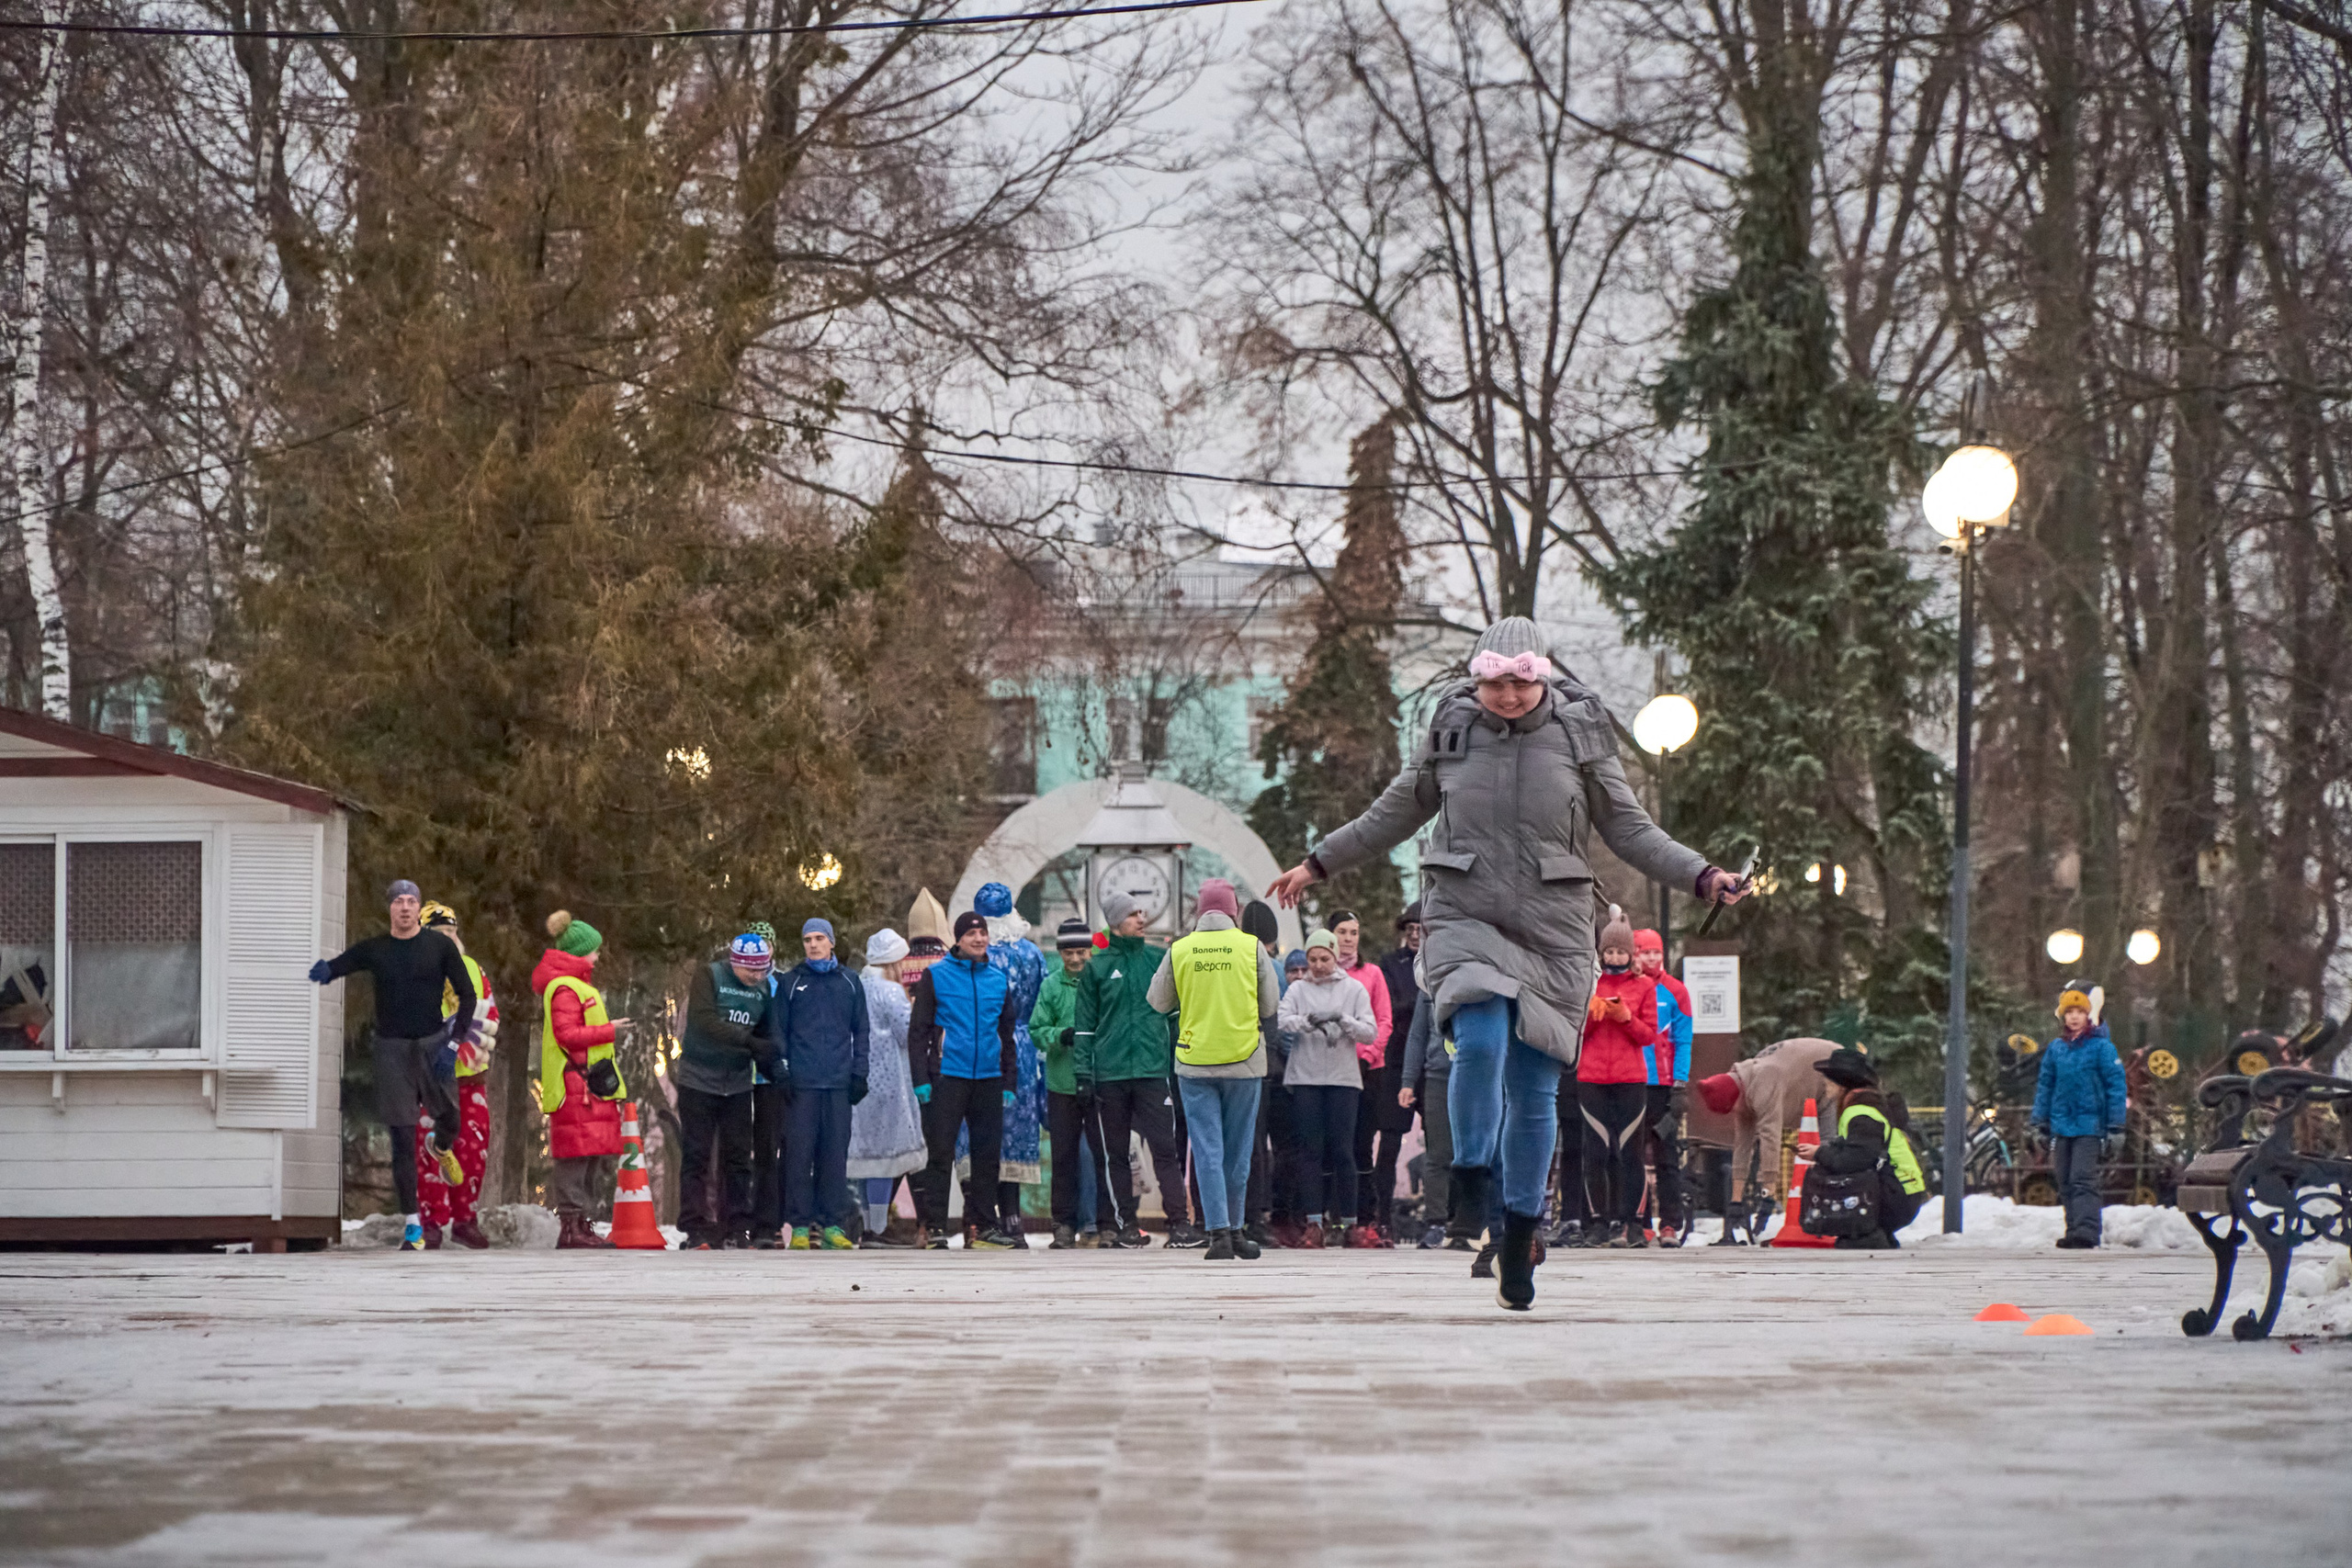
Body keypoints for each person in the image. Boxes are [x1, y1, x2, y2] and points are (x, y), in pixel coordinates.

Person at [1270, 616, 1744, 1310]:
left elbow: (1630, 828)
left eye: (1520, 682)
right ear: (1478, 679)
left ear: (1540, 675)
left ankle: (1518, 1234)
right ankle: (1470, 1179)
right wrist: (1318, 863)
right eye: (1494, 683)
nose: (1508, 696)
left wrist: (1703, 876)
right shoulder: (1452, 731)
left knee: (1534, 1088)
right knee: (1481, 1034)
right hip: (1464, 908)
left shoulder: (1580, 735)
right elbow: (1394, 810)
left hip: (1553, 923)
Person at [310, 880, 477, 1252]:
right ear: (390, 908)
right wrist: (325, 971)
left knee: (451, 1119)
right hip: (392, 1050)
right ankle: (413, 1228)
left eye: (411, 901)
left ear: (419, 908)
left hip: (435, 1045)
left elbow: (468, 995)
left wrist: (453, 1042)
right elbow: (346, 963)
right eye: (398, 901)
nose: (404, 907)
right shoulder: (378, 949)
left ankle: (441, 1145)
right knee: (402, 1138)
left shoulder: (439, 947)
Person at [1149, 878, 1282, 1260]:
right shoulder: (1251, 947)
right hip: (1243, 1058)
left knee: (1205, 1149)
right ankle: (1239, 1230)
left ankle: (1218, 1234)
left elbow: (1157, 1003)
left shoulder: (1181, 950)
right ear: (1233, 910)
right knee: (1238, 1151)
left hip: (1194, 1061)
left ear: (1200, 911)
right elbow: (1271, 1005)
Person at [1077, 888, 1199, 1248]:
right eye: (1132, 914)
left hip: (1152, 1070)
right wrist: (1084, 1074)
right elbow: (1085, 1025)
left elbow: (1176, 1016)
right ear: (1116, 922)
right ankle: (1125, 1226)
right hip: (1111, 1075)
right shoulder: (1097, 967)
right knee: (1117, 1153)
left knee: (1165, 1150)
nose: (1141, 919)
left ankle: (1179, 1224)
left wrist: (1181, 1062)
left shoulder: (1160, 961)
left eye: (1142, 913)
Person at [909, 909, 1022, 1249]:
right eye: (971, 934)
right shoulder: (936, 976)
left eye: (983, 933)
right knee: (941, 1154)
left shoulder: (997, 980)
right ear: (958, 939)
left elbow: (1007, 1034)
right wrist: (921, 1079)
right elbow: (918, 1032)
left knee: (987, 1156)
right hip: (947, 1076)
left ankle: (985, 1227)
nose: (979, 939)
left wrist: (1009, 1081)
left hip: (988, 1078)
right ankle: (936, 1228)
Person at [531, 911, 633, 1249]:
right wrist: (610, 1030)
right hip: (576, 1084)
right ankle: (572, 1224)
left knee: (589, 1154)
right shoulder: (565, 988)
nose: (598, 955)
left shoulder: (576, 985)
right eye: (594, 949)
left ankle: (581, 1224)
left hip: (588, 1085)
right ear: (579, 951)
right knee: (575, 1157)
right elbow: (567, 1034)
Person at [671, 931, 779, 1249]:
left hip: (737, 1082)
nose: (757, 977)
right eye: (751, 971)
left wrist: (775, 1063)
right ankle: (695, 1225)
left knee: (738, 1157)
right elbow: (705, 1021)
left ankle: (738, 1223)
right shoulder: (711, 976)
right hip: (698, 1078)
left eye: (762, 970)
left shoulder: (762, 990)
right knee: (697, 1154)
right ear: (736, 963)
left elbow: (768, 1032)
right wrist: (747, 1042)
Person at [1275, 929, 1379, 1247]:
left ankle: (1349, 1222)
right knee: (1310, 1150)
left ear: (1335, 957)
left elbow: (1370, 1032)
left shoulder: (1354, 989)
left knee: (1343, 1150)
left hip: (1342, 1079)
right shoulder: (1298, 990)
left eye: (1324, 958)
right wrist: (1307, 1021)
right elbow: (1281, 1019)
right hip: (1306, 1078)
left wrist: (1344, 1021)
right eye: (1312, 959)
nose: (1318, 965)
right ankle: (1314, 1222)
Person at [774, 918, 871, 1250]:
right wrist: (782, 1071)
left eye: (818, 938)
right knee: (799, 1156)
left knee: (834, 1157)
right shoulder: (790, 983)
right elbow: (779, 1033)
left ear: (831, 942)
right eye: (807, 939)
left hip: (839, 1083)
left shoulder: (850, 981)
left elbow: (862, 1031)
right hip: (802, 1084)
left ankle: (833, 1224)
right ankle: (800, 1225)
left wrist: (860, 1072)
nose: (812, 945)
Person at [1694, 1036, 1843, 1240]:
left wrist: (1768, 1194)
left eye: (1731, 1109)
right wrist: (1735, 1201)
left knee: (1827, 1146)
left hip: (1830, 1073)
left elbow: (1770, 1140)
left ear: (1736, 1097)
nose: (1734, 1114)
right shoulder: (1740, 1085)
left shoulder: (1765, 1081)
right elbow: (1742, 1145)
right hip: (1806, 1077)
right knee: (1821, 1147)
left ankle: (1833, 1218)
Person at [414, 902, 498, 1250]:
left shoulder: (472, 969)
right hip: (430, 1080)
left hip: (469, 1077)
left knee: (472, 1150)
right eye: (439, 934)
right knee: (432, 1148)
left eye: (451, 932)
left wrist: (474, 1041)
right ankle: (431, 1221)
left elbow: (489, 1011)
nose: (448, 939)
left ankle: (466, 1219)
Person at [1577, 911, 1658, 1247]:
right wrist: (1594, 1016)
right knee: (1595, 1152)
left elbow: (1649, 1035)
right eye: (1608, 952)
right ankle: (1597, 1221)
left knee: (1630, 1152)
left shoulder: (1643, 987)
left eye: (1620, 952)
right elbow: (1576, 1031)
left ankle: (1634, 1223)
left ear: (1630, 953)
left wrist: (1625, 1017)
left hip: (1630, 1078)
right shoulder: (1589, 984)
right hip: (1591, 1077)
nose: (1614, 958)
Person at [1034, 916, 1114, 1247]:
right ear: (1060, 954)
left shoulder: (1102, 982)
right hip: (1062, 1083)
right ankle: (1063, 1224)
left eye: (1082, 952)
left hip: (1099, 1082)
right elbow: (1036, 1030)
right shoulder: (1051, 986)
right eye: (1070, 954)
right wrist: (1059, 1035)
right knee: (1064, 1156)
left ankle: (1109, 1223)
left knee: (1105, 1156)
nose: (1077, 959)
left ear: (1091, 952)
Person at [2030, 981, 2127, 1249]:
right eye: (2069, 1012)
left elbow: (2116, 1087)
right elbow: (2046, 1086)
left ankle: (2086, 1230)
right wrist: (2040, 1121)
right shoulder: (2056, 1049)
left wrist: (2116, 1127)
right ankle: (2073, 1228)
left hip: (2090, 1125)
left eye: (2079, 1011)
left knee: (2082, 1177)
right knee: (2064, 1178)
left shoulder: (2102, 1048)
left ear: (2088, 1015)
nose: (2074, 1017)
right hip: (2062, 1125)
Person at [848, 928, 928, 1247]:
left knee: (867, 1156)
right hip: (890, 1082)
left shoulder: (856, 987)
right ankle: (877, 1230)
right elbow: (908, 1033)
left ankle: (869, 1225)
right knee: (885, 1156)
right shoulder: (891, 992)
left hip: (860, 1080)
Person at [977, 883, 1047, 1238]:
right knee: (1014, 1134)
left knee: (979, 1131)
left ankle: (981, 1218)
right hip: (1021, 1048)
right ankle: (1012, 1217)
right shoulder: (1031, 954)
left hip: (981, 1045)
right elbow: (1041, 1001)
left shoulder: (975, 954)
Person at [1819, 1047, 1928, 1247]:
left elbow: (1857, 1158)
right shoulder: (1869, 1106)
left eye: (1829, 1080)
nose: (1824, 1084)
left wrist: (1819, 1154)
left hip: (1896, 1197)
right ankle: (1875, 1229)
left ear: (1842, 1083)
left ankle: (1869, 1230)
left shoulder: (1861, 1113)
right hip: (1905, 1193)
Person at [1634, 928, 1692, 1246]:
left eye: (1656, 952)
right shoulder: (1629, 988)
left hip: (1664, 1086)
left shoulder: (1676, 991)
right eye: (1646, 952)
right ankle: (1640, 1222)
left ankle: (1670, 1223)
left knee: (1666, 1156)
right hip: (1632, 1082)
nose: (1653, 957)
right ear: (1635, 954)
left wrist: (1680, 1083)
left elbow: (1683, 1040)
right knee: (1633, 1155)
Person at [1239, 900, 1292, 1249]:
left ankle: (1237, 1215)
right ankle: (1260, 1216)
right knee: (1266, 1147)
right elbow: (1279, 1016)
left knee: (1242, 1143)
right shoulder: (1275, 968)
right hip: (1267, 1064)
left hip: (1231, 1057)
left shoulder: (1237, 961)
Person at [742, 919, 790, 1247]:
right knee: (742, 1153)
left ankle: (770, 1223)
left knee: (772, 1150)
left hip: (771, 1078)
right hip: (740, 1077)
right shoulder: (737, 982)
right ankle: (740, 1220)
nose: (762, 949)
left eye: (766, 942)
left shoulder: (783, 984)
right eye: (755, 942)